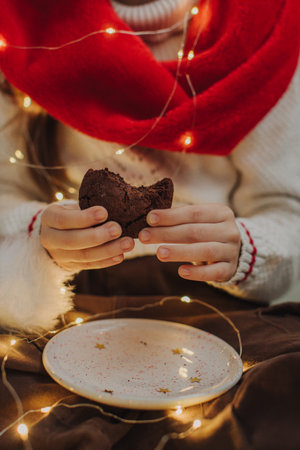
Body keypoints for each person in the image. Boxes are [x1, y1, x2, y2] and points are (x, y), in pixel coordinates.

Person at [0, 0, 299, 332]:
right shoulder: (23, 24)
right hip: (73, 302)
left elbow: (289, 215)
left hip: (217, 306)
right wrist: (38, 231)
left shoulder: (268, 27)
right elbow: (5, 192)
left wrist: (245, 249)